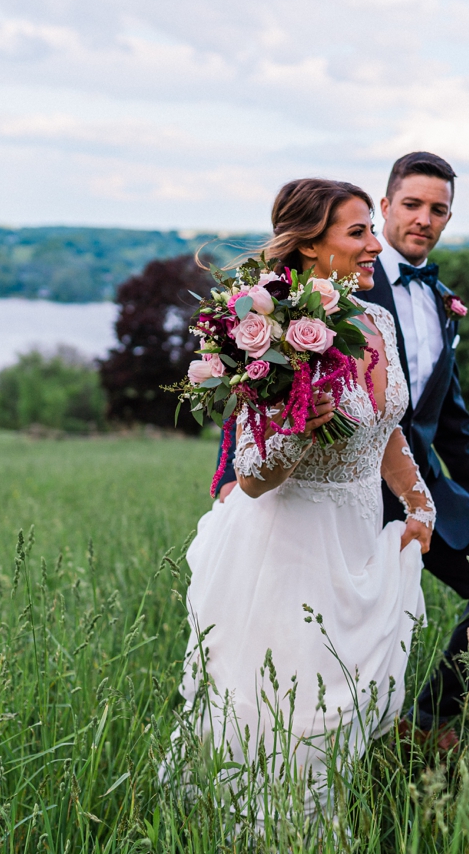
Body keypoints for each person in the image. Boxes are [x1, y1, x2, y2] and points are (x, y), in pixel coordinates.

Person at [214, 151, 469, 754]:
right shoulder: (295, 303)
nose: (423, 219)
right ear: (388, 205)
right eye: (410, 205)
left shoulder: (430, 303)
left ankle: (425, 725)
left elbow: (441, 408)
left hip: (410, 479)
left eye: (438, 209)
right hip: (315, 497)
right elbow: (262, 390)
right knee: (315, 660)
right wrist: (230, 476)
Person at [172, 177, 437, 809]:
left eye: (373, 228)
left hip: (357, 539)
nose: (376, 243)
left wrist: (419, 500)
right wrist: (296, 432)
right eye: (358, 232)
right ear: (312, 249)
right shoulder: (274, 332)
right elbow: (254, 477)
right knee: (286, 714)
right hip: (287, 549)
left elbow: (386, 428)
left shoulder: (374, 321)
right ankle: (265, 841)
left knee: (344, 710)